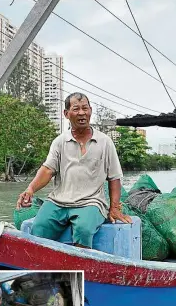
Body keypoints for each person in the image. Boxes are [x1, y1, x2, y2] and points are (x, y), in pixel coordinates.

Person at [16, 92, 132, 248]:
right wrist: (30, 189)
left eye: (85, 108)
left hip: (91, 202)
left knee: (83, 230)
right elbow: (48, 170)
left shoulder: (105, 142)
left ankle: (80, 270)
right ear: (66, 113)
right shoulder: (60, 142)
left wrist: (115, 208)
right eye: (76, 109)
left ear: (90, 110)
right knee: (39, 228)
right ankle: (45, 270)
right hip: (58, 201)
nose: (82, 113)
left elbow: (114, 178)